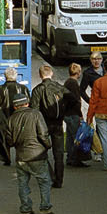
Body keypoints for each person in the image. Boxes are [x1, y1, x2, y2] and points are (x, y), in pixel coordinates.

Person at [3, 83, 55, 214]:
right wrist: (48, 145)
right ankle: (45, 208)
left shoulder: (11, 119)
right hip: (37, 154)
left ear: (15, 106)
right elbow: (43, 133)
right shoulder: (36, 114)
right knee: (44, 181)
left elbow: (10, 141)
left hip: (21, 156)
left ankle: (25, 208)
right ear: (27, 103)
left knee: (22, 183)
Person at [30, 62, 70, 193]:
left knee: (42, 152)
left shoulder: (37, 90)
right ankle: (59, 180)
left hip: (44, 125)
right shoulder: (59, 87)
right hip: (58, 124)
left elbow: (34, 109)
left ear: (40, 75)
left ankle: (50, 176)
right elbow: (73, 99)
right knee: (58, 153)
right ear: (51, 73)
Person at [60, 64, 88, 173]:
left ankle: (70, 158)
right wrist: (80, 114)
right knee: (76, 137)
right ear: (78, 72)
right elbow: (76, 101)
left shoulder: (67, 82)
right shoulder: (73, 83)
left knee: (70, 137)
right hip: (73, 114)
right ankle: (75, 159)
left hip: (67, 114)